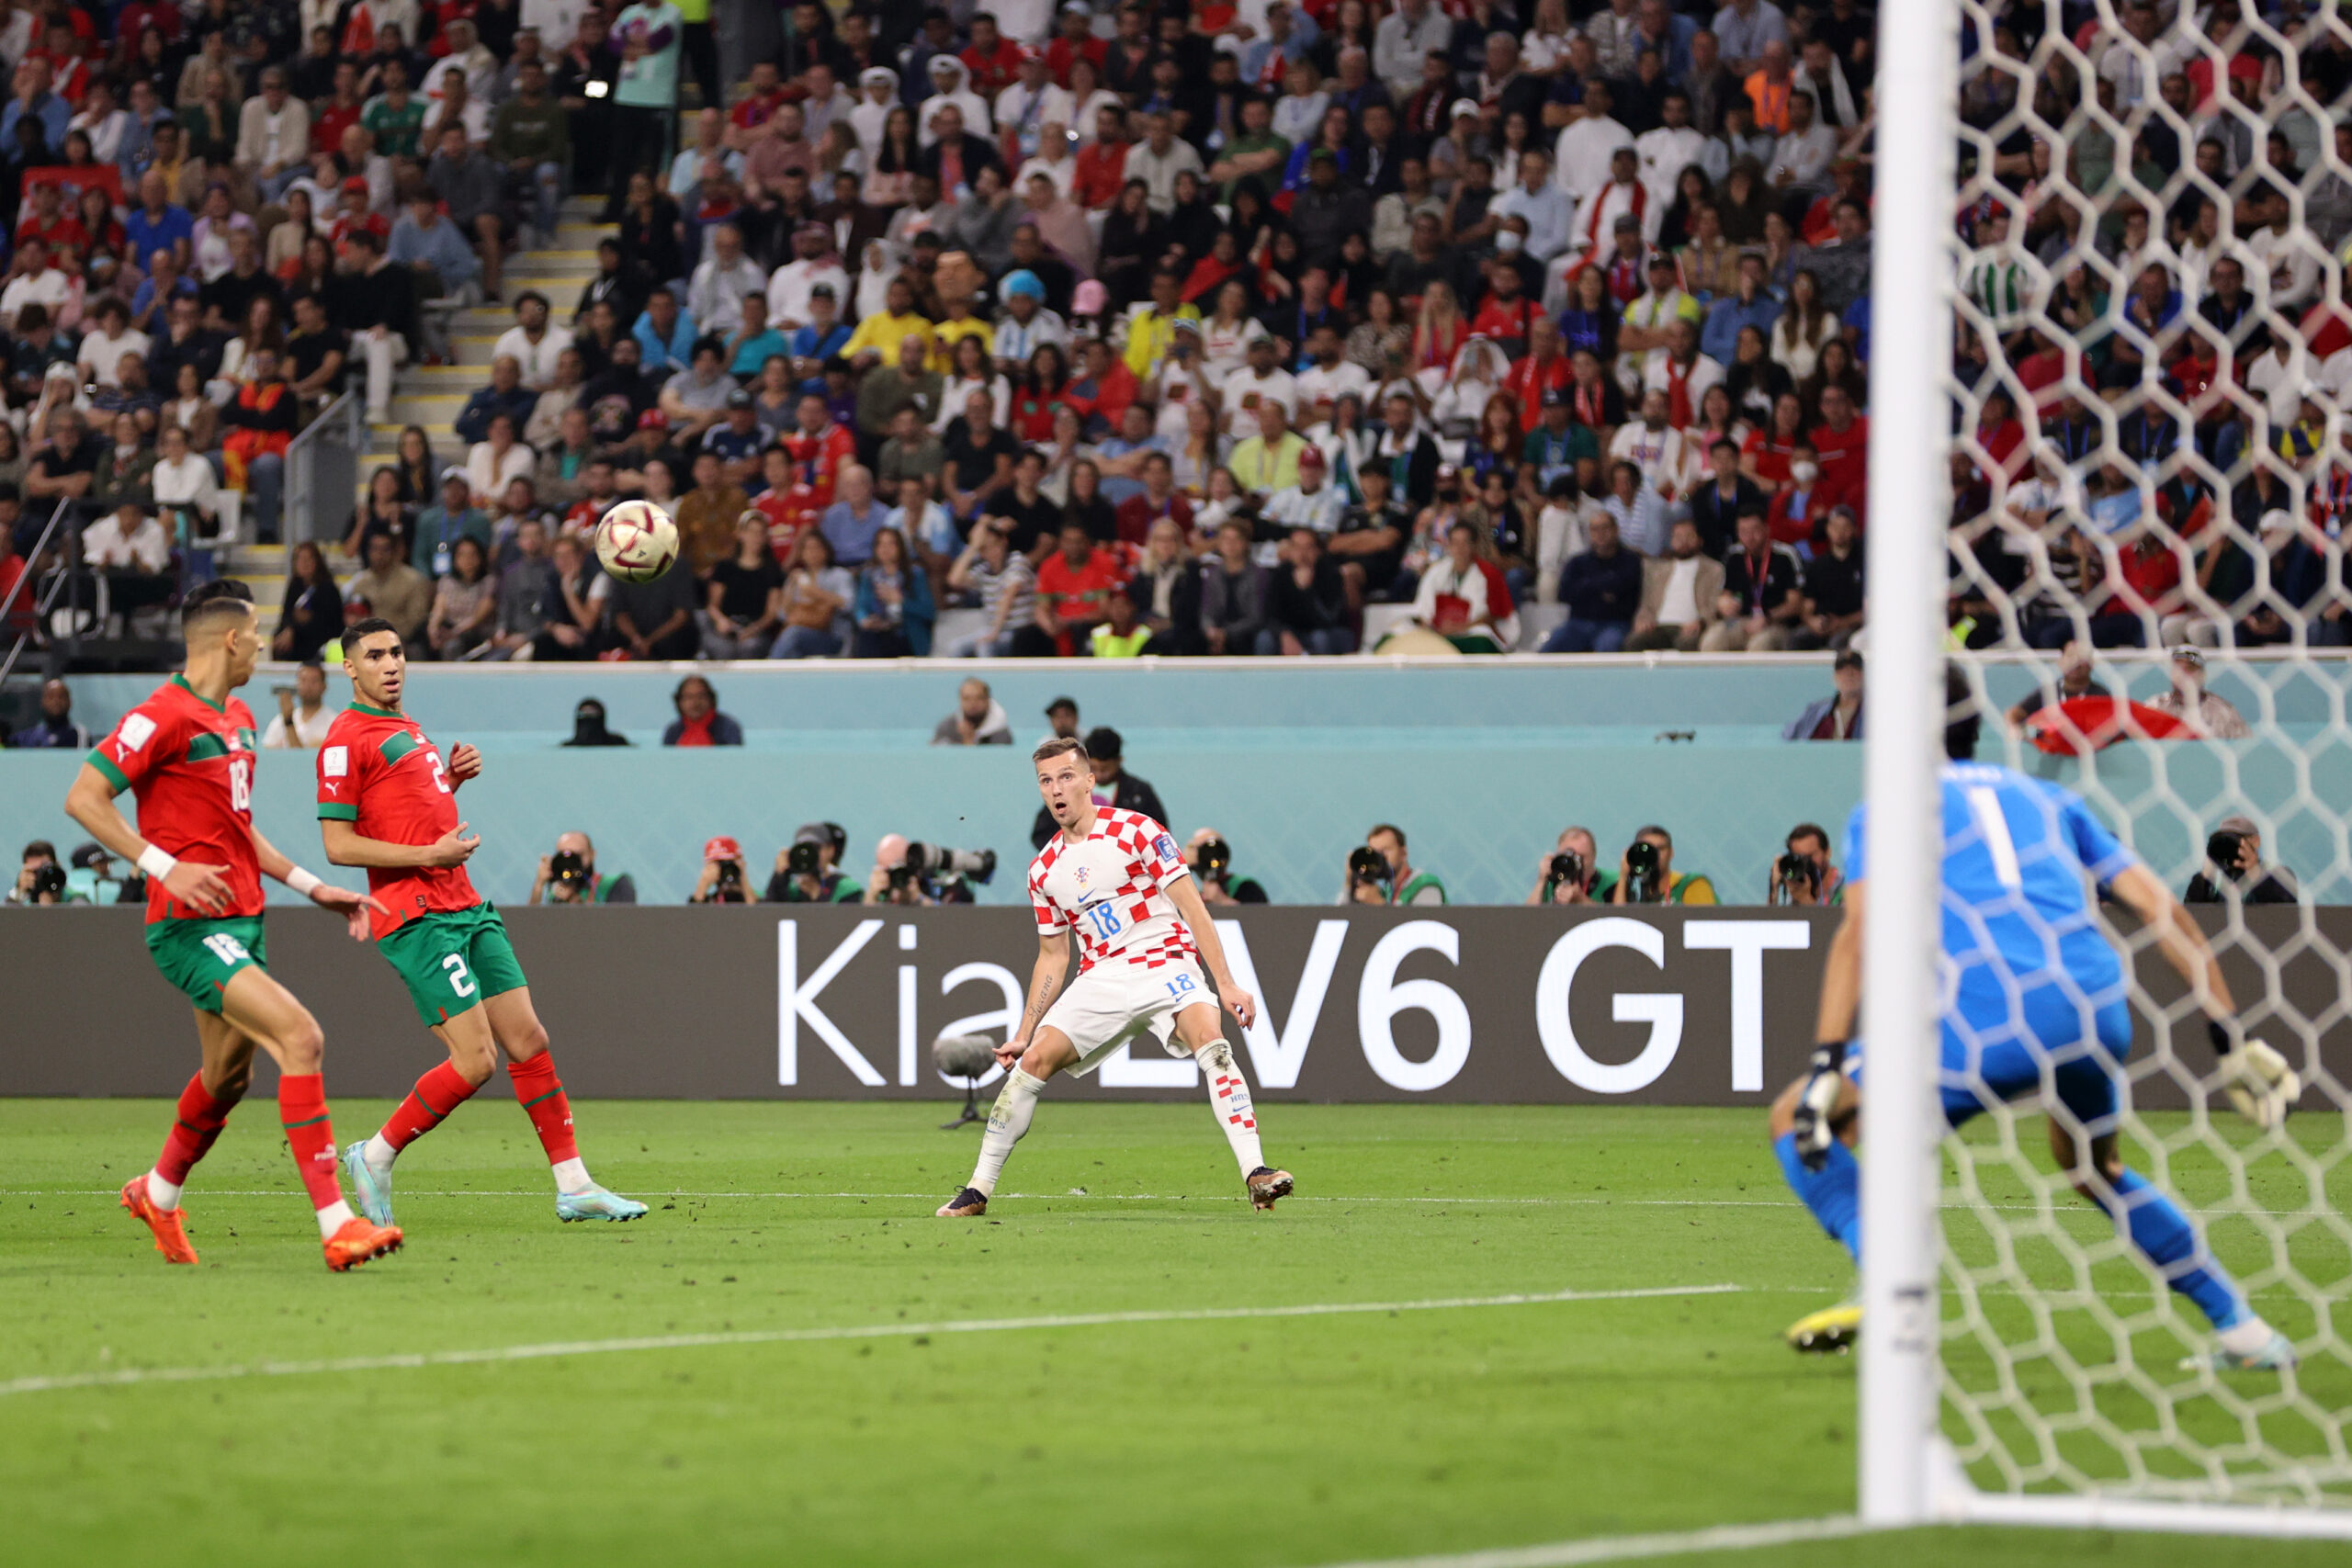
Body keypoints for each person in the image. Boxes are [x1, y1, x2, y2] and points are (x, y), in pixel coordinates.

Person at [1773, 671, 2300, 1367]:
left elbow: (1858, 930)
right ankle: (2245, 1331)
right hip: (2093, 1007)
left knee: (1801, 1118)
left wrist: (1826, 1061)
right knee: (2093, 1165)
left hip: (1986, 1017)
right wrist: (2229, 1035)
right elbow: (2159, 908)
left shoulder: (1890, 808)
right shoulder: (2050, 798)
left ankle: (1889, 1281)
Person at [63, 580, 401, 1271]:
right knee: (301, 1036)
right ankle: (338, 1224)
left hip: (242, 919)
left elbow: (238, 830)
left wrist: (312, 886)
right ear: (229, 639)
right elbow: (85, 797)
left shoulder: (240, 716)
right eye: (255, 637)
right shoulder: (161, 715)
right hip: (188, 925)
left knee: (226, 1078)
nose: (262, 648)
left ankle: (157, 1192)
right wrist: (165, 867)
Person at [316, 619, 645, 1230]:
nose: (391, 663)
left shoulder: (406, 726)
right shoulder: (345, 738)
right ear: (350, 668)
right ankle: (375, 1154)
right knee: (475, 1061)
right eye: (375, 655)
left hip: (464, 903)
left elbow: (405, 813)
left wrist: (451, 780)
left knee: (529, 1040)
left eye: (397, 651)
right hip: (416, 916)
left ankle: (574, 1186)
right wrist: (428, 855)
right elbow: (338, 844)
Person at [934, 736, 1292, 1220]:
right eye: (1045, 780)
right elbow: (1053, 957)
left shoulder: (1138, 831)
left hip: (1165, 961)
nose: (1056, 789)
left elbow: (1193, 907)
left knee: (1212, 1042)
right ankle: (977, 1190)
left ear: (1089, 780)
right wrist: (1024, 1032)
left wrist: (1225, 983)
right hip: (1101, 977)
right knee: (1033, 1062)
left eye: (1065, 776)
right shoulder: (1043, 870)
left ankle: (1256, 1172)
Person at [2183, 816, 2299, 906]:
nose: (2230, 846)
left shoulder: (2278, 875)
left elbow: (2286, 910)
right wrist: (2203, 879)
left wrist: (2254, 873)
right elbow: (2190, 914)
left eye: (2236, 839)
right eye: (2225, 841)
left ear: (2255, 841)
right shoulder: (2213, 878)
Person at [2146, 646, 2249, 739]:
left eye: (2189, 669)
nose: (2182, 674)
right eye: (2177, 669)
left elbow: (2243, 744)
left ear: (2202, 675)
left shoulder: (2223, 712)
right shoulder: (2156, 706)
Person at [1609, 824, 1717, 904]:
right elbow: (1621, 923)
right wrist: (1623, 875)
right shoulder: (1638, 892)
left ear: (1671, 853)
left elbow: (1705, 923)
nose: (1654, 855)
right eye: (1648, 850)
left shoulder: (1689, 884)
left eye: (1660, 848)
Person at [1347, 822, 1446, 905]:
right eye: (1374, 853)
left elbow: (1424, 921)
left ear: (1403, 853)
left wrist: (1378, 904)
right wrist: (1349, 881)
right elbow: (1342, 916)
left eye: (1385, 850)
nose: (1380, 858)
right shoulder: (1385, 890)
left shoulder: (1425, 884)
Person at [1784, 648, 1865, 740]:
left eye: (1855, 668)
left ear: (1864, 675)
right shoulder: (1816, 710)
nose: (1849, 674)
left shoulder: (1874, 713)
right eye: (1842, 669)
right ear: (1835, 676)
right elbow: (1789, 736)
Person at [262, 660, 333, 749]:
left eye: (314, 681)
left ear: (324, 686)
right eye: (303, 681)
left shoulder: (333, 723)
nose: (308, 686)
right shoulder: (279, 721)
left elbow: (303, 754)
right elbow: (268, 748)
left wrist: (289, 722)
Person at [662, 673, 743, 745]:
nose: (695, 703)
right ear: (679, 702)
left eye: (701, 696)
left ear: (711, 699)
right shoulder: (673, 731)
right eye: (689, 697)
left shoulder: (727, 728)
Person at [9, 677, 88, 748]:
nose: (56, 702)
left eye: (61, 697)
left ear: (69, 702)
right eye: (51, 697)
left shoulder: (80, 735)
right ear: (43, 702)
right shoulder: (27, 737)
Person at [934, 676, 1013, 745]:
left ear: (988, 701)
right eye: (967, 699)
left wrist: (969, 742)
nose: (973, 703)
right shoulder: (948, 728)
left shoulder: (1001, 734)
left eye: (979, 698)